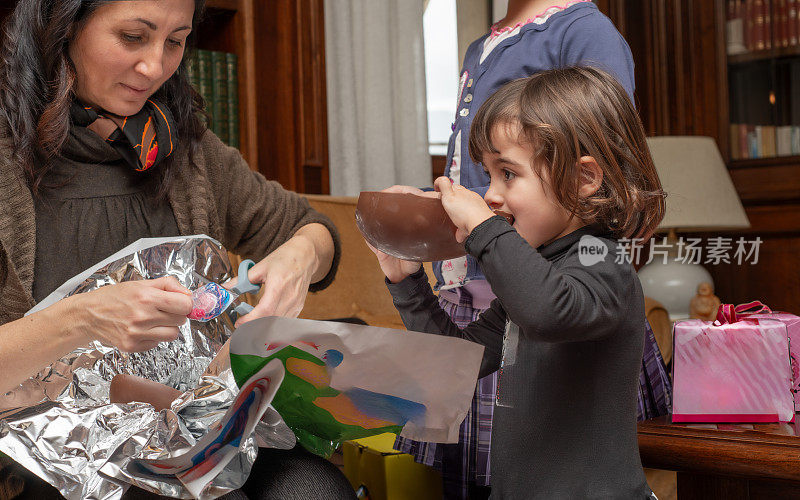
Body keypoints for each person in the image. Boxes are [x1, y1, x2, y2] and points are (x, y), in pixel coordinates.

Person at [0, 0, 352, 498]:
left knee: (315, 490)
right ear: (62, 28)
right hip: (44, 463)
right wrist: (80, 320)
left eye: (175, 40)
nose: (155, 67)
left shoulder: (184, 148)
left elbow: (311, 229)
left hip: (199, 435)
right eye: (132, 37)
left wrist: (301, 259)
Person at [393, 1, 671, 498]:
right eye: (487, 174)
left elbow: (549, 309)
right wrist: (407, 282)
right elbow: (452, 365)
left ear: (586, 177)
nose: (491, 195)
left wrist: (482, 227)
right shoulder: (533, 276)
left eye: (508, 174)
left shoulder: (600, 264)